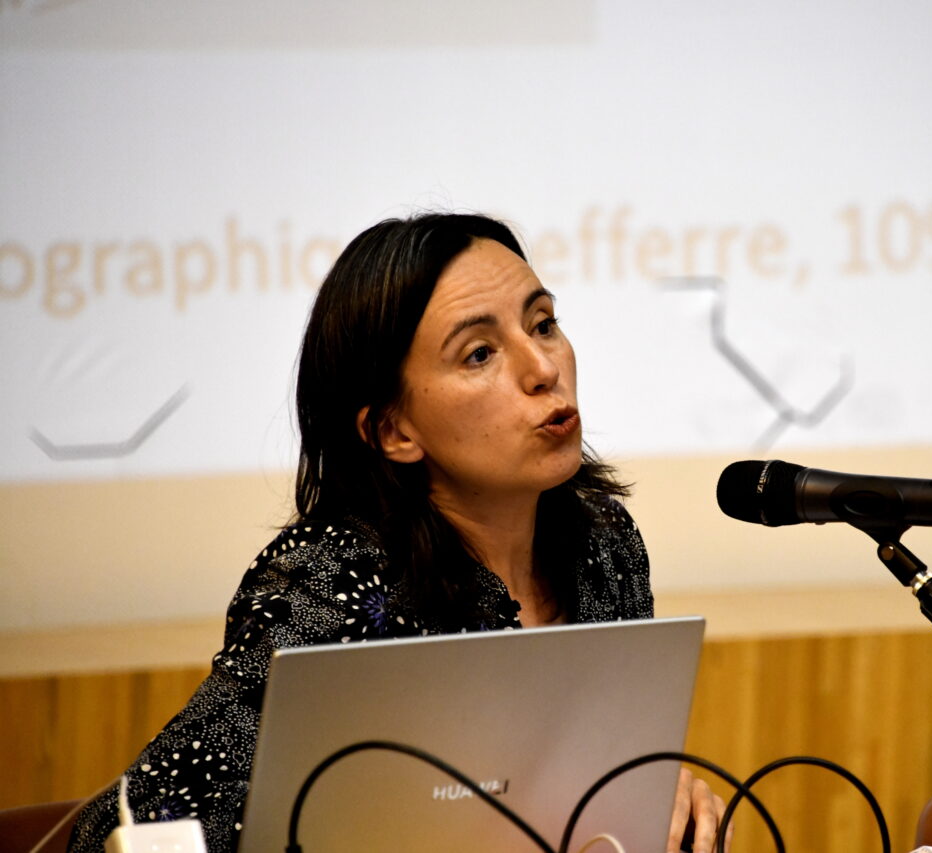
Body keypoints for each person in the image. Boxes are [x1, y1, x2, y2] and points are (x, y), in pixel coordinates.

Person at [66, 213, 727, 852]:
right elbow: (127, 827)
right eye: (479, 353)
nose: (542, 367)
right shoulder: (328, 586)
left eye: (544, 323)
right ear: (393, 430)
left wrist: (655, 801)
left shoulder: (601, 545)